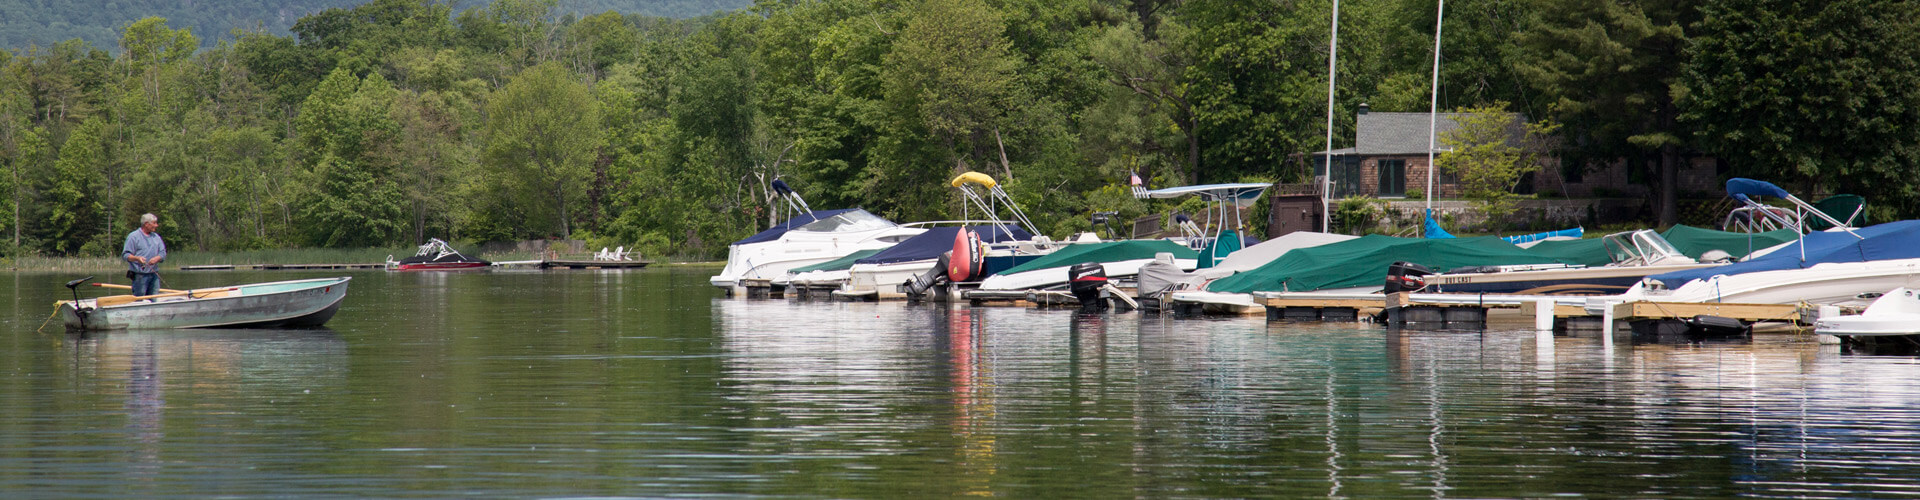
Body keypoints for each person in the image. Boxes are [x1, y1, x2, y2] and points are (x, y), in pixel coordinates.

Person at [122, 213, 166, 298]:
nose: (156, 225)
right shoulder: (133, 236)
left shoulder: (156, 237)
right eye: (154, 223)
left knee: (154, 299)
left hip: (154, 275)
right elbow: (125, 255)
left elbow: (163, 252)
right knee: (139, 299)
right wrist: (137, 258)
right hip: (139, 275)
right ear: (146, 224)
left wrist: (157, 258)